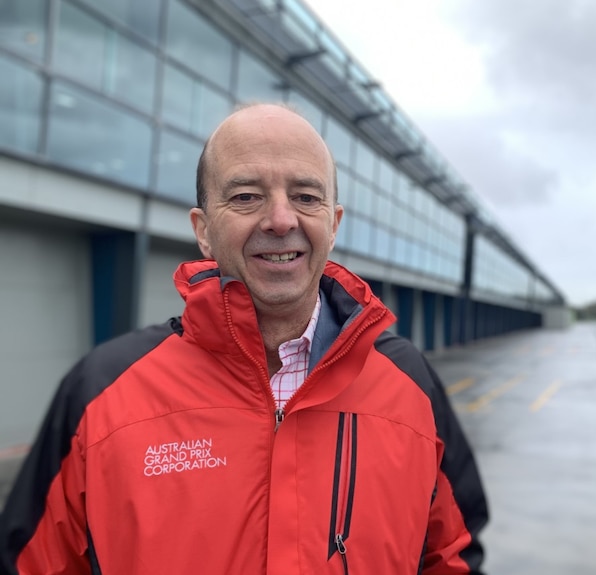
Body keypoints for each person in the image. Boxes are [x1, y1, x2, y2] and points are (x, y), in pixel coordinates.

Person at [0, 104, 488, 574]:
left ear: (333, 224)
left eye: (305, 196)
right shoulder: (101, 391)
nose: (281, 220)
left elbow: (453, 558)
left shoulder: (409, 385)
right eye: (246, 196)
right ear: (204, 230)